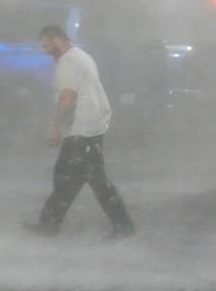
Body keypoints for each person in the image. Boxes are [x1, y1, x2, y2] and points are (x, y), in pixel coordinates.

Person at [22, 25, 135, 240]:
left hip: (83, 130)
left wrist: (54, 127)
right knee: (70, 176)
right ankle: (49, 224)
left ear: (57, 40)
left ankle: (123, 226)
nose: (45, 51)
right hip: (90, 127)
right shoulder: (80, 56)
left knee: (92, 180)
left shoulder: (69, 61)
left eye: (46, 46)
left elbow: (68, 97)